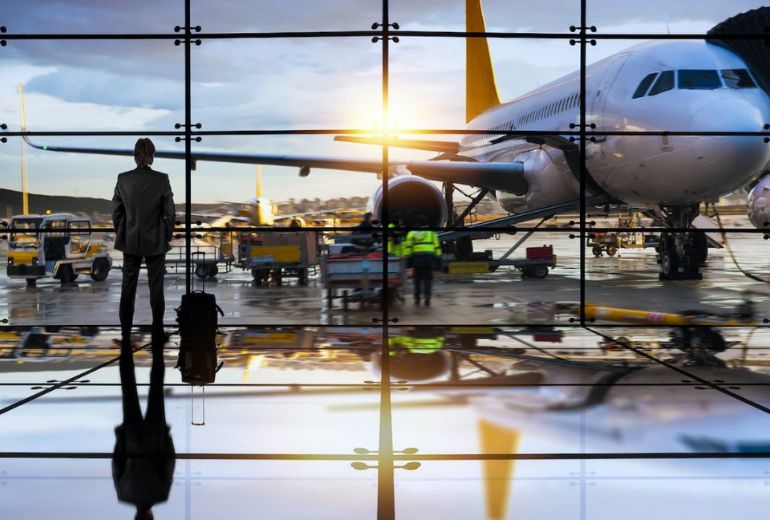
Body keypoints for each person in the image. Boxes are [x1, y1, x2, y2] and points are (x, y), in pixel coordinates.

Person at [113, 138, 175, 345]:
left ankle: (125, 332)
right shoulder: (162, 179)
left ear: (135, 155)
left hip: (130, 240)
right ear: (152, 155)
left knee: (127, 288)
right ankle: (158, 329)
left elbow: (116, 212)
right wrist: (165, 235)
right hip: (155, 241)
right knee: (156, 288)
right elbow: (170, 214)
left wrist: (122, 232)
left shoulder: (123, 179)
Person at [112, 340, 175, 520]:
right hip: (131, 435)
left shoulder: (161, 495)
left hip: (155, 434)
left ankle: (158, 345)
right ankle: (125, 342)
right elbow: (117, 463)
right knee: (128, 386)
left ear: (151, 517)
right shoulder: (124, 494)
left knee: (156, 385)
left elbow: (169, 463)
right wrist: (121, 438)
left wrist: (167, 436)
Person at [404, 214, 442, 306]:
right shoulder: (432, 234)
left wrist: (408, 261)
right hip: (429, 259)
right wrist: (438, 260)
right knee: (428, 279)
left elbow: (408, 248)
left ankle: (417, 298)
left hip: (417, 260)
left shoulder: (411, 233)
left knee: (417, 280)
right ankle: (427, 297)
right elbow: (437, 248)